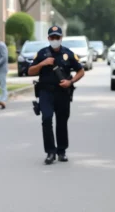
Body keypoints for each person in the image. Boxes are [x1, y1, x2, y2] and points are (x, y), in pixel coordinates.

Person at [28, 26, 84, 165]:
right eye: (52, 37)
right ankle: (50, 152)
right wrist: (43, 63)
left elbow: (81, 71)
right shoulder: (42, 54)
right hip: (45, 92)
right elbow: (30, 71)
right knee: (46, 119)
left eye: (57, 37)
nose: (55, 40)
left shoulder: (68, 54)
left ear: (61, 38)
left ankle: (62, 151)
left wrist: (70, 82)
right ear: (48, 39)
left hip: (62, 93)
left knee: (62, 121)